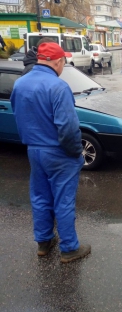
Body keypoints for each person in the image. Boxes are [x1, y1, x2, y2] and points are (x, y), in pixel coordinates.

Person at [11, 42, 91, 263]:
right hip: (58, 153)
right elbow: (67, 128)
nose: (63, 66)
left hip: (34, 150)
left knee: (39, 197)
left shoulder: (20, 84)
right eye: (63, 62)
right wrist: (76, 153)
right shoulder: (58, 87)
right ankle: (69, 249)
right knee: (63, 200)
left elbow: (19, 117)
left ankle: (44, 242)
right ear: (57, 62)